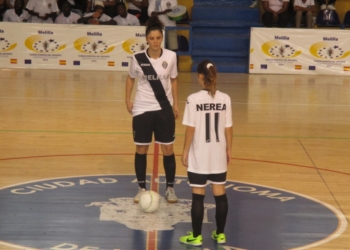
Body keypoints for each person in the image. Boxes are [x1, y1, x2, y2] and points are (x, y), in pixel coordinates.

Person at [125, 16, 179, 203]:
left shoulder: (171, 56)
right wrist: (127, 99)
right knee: (141, 149)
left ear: (161, 38)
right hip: (142, 108)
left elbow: (173, 79)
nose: (155, 42)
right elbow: (131, 78)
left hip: (164, 108)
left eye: (158, 38)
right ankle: (141, 188)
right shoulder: (137, 58)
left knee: (168, 149)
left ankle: (170, 188)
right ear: (146, 39)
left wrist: (176, 104)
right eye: (151, 38)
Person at [179, 60, 232, 247]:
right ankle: (220, 234)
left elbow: (190, 129)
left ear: (200, 76)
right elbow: (228, 128)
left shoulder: (193, 99)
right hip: (218, 153)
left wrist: (185, 151)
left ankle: (196, 236)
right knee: (220, 193)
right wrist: (228, 149)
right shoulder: (225, 98)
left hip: (200, 153)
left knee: (198, 194)